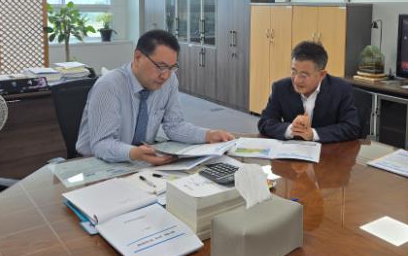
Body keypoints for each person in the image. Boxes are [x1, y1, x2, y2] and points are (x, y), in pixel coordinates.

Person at [76, 29, 234, 164]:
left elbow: (175, 125)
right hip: (96, 162)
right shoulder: (109, 85)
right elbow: (101, 144)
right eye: (160, 66)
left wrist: (207, 135)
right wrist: (134, 153)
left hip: (141, 160)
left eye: (172, 67)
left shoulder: (169, 81)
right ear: (138, 57)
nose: (165, 75)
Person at [258, 41, 361, 143]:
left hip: (328, 150)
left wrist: (313, 134)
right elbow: (265, 122)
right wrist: (291, 129)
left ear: (322, 75)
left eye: (304, 75)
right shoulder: (280, 88)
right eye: (294, 72)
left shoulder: (341, 89)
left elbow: (352, 127)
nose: (296, 80)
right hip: (292, 150)